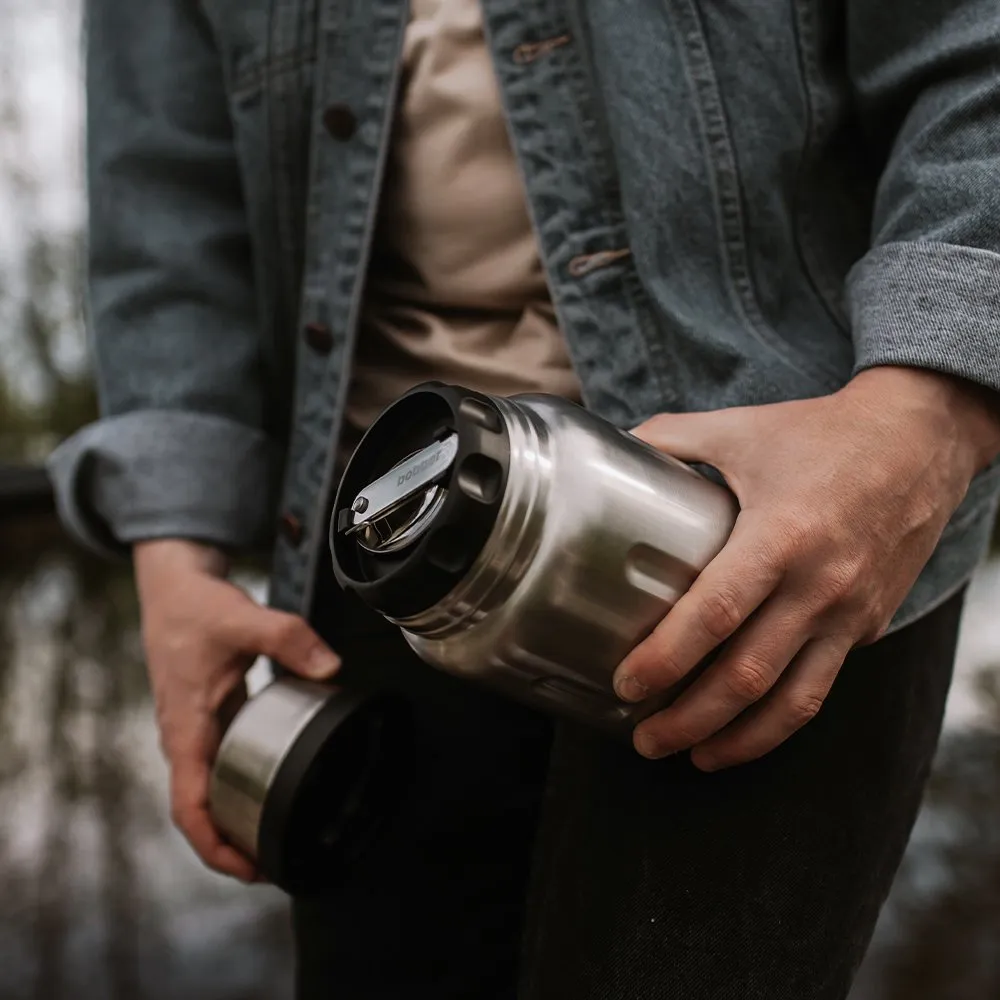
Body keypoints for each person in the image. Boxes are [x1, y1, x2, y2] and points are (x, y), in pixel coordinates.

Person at [51, 0, 1000, 997]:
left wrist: (927, 416)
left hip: (776, 521)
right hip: (381, 545)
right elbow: (163, 189)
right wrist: (174, 550)